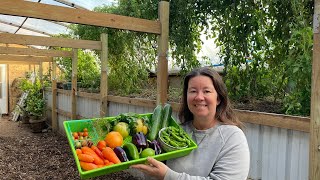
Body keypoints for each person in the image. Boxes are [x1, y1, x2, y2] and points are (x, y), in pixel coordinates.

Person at [131, 67, 250, 180]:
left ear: (218, 98)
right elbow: (155, 174)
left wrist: (167, 175)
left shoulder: (232, 137)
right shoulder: (176, 131)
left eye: (206, 91)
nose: (199, 97)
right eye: (193, 91)